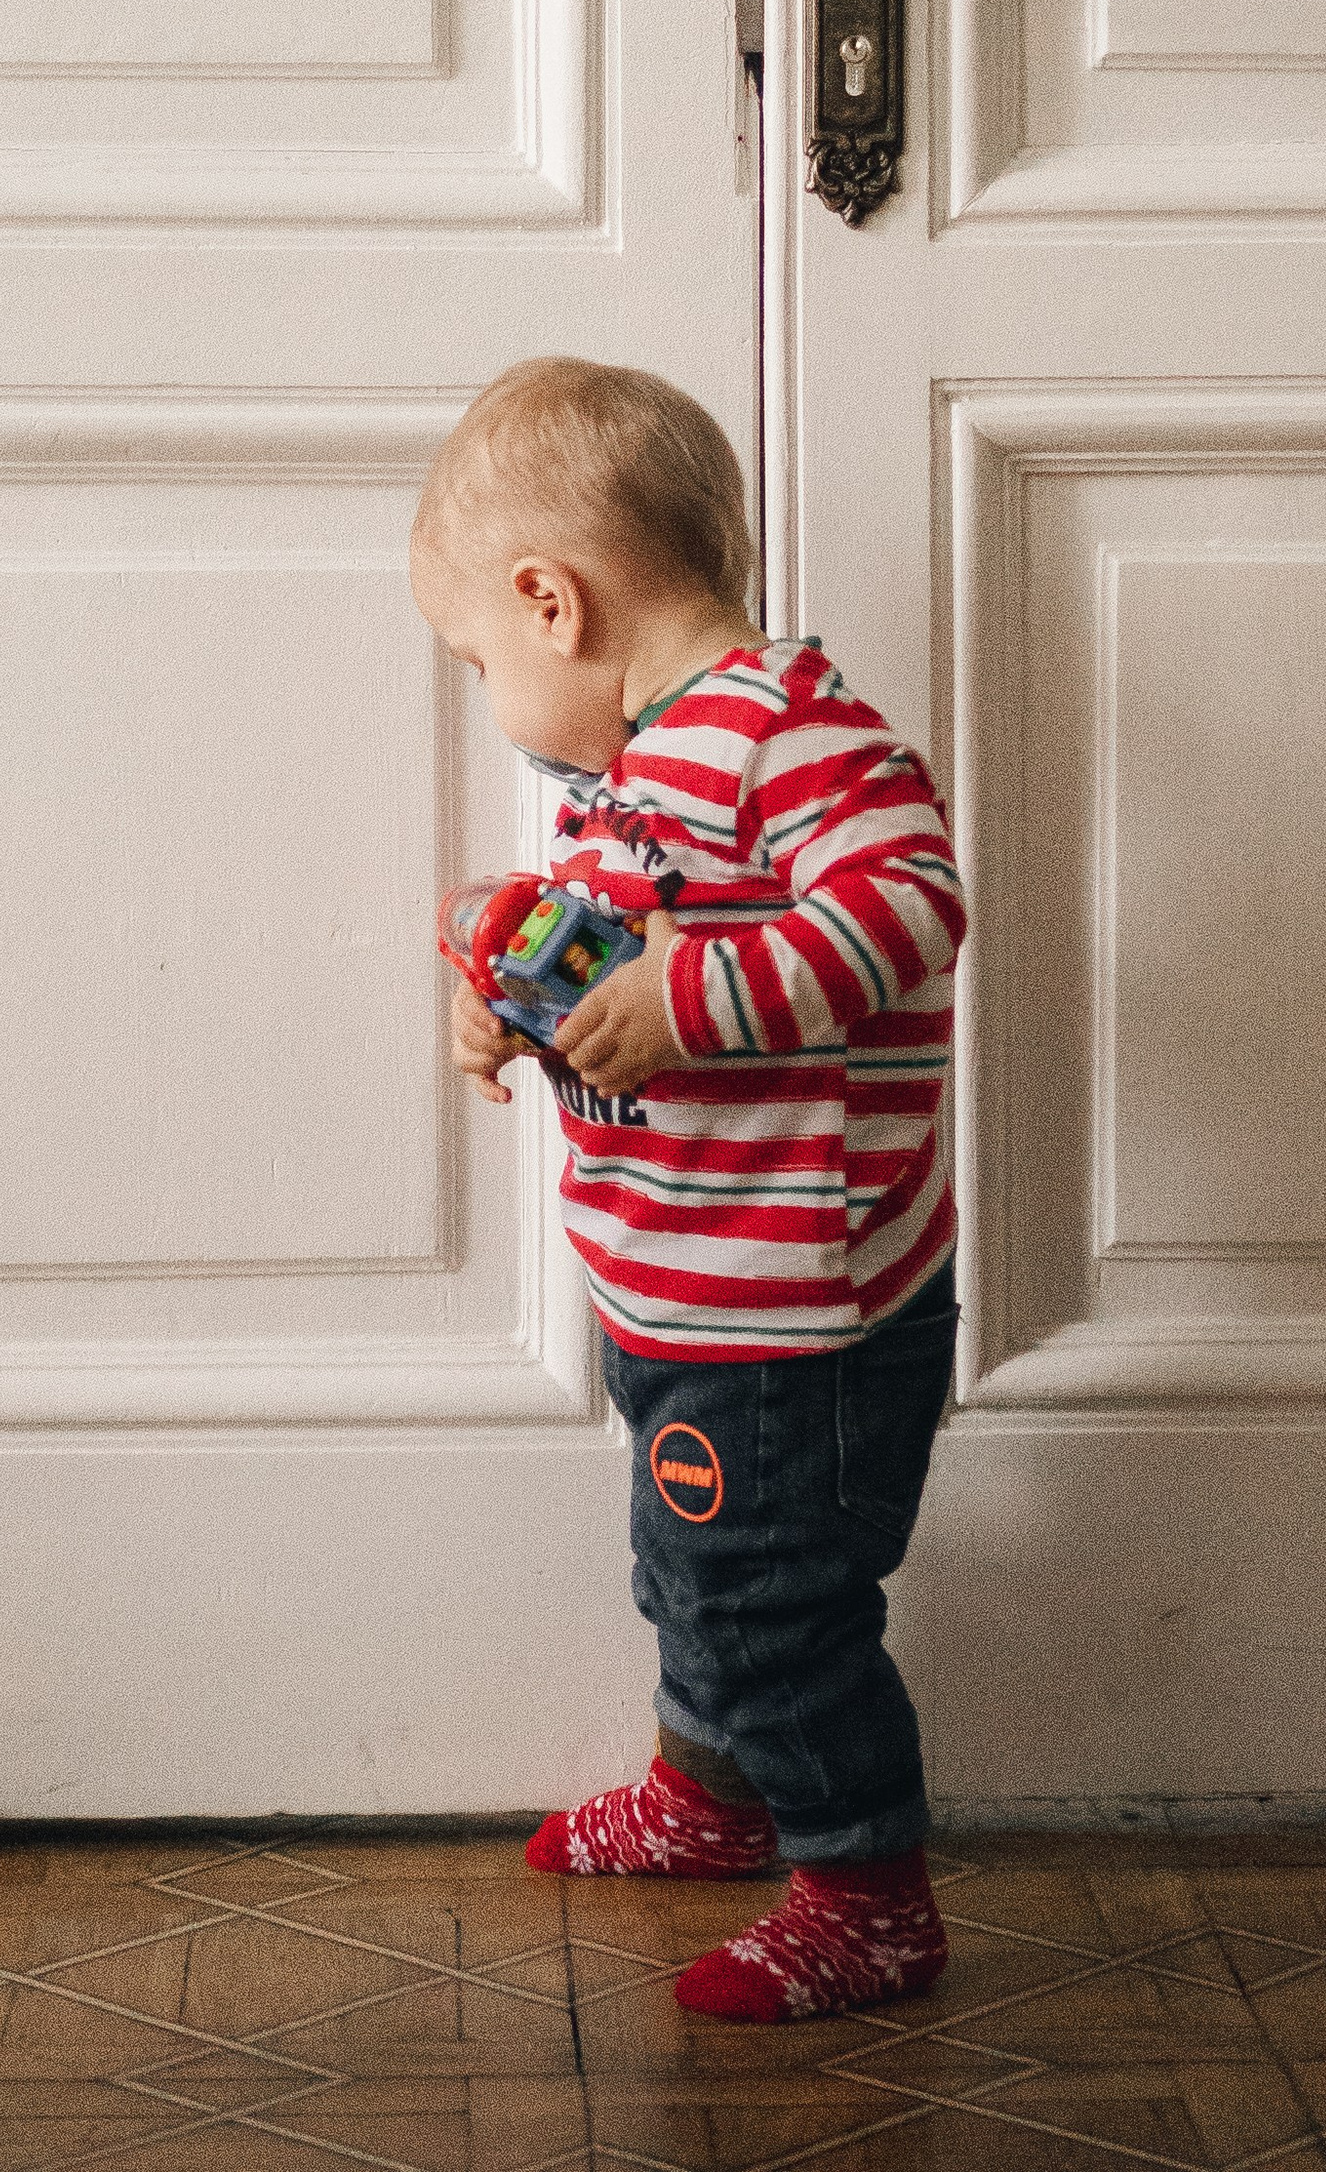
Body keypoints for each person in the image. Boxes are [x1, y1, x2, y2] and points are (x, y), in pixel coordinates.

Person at [409, 356, 966, 2025]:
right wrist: (515, 1003)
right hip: (682, 1283)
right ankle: (714, 1800)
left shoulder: (787, 728)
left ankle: (866, 1893)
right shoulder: (634, 774)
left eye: (479, 663)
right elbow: (617, 952)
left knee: (774, 1601)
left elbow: (911, 902)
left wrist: (691, 1000)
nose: (491, 695)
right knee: (691, 1568)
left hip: (798, 1313)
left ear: (553, 601)